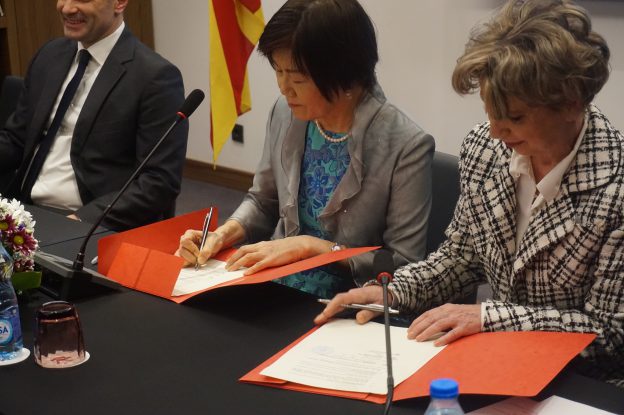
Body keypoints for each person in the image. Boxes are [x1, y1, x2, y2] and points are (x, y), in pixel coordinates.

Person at [317, 0, 623, 386]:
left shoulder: (616, 187)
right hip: (499, 368)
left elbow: (609, 334)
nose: (495, 131)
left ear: (571, 104)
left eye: (514, 117)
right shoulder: (485, 149)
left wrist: (490, 318)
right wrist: (393, 293)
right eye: (490, 112)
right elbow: (462, 259)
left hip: (583, 387)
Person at [177, 0, 434, 299]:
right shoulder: (285, 112)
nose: (284, 88)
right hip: (274, 282)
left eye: (298, 77)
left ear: (344, 74)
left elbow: (404, 264)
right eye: (278, 71)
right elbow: (263, 201)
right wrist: (222, 234)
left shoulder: (405, 144)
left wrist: (313, 247)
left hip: (349, 299)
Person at [0, 0, 188, 231]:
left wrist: (81, 222)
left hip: (88, 220)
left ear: (119, 3)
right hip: (21, 210)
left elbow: (158, 181)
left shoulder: (155, 77)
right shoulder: (49, 55)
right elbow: (17, 139)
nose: (67, 8)